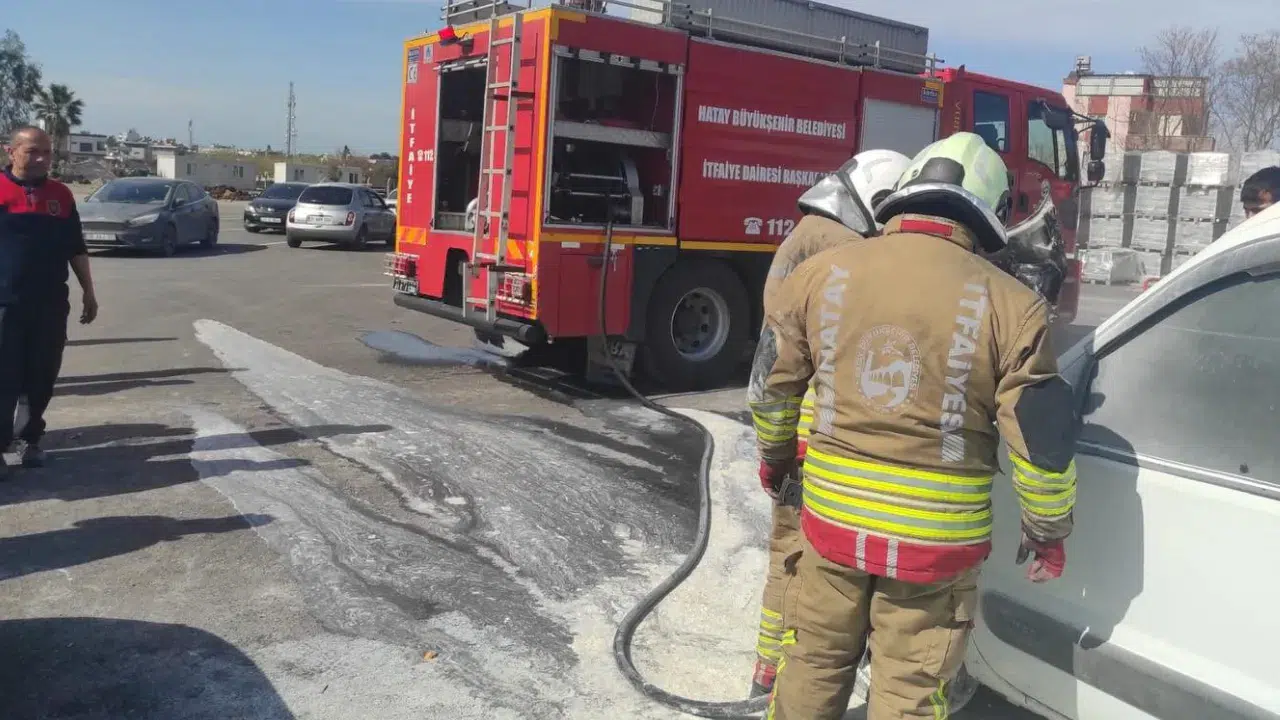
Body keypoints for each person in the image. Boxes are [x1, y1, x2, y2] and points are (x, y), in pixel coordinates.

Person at [750, 132, 1079, 720]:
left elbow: (774, 389)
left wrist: (775, 460)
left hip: (831, 527)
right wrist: (1048, 530)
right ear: (991, 213)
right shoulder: (1014, 304)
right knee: (907, 698)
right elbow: (1039, 435)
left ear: (906, 193)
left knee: (812, 670)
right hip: (935, 552)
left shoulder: (823, 274)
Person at [746, 148, 910, 698]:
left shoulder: (806, 236)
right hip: (821, 435)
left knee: (785, 553)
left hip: (790, 429)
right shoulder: (845, 250)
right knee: (805, 565)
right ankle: (788, 681)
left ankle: (769, 671)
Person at [0, 126, 99, 475]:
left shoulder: (61, 195)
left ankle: (31, 440)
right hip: (4, 306)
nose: (42, 158)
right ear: (10, 151)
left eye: (47, 152)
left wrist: (88, 290)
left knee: (41, 375)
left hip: (49, 305)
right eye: (33, 152)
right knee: (3, 377)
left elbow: (76, 247)